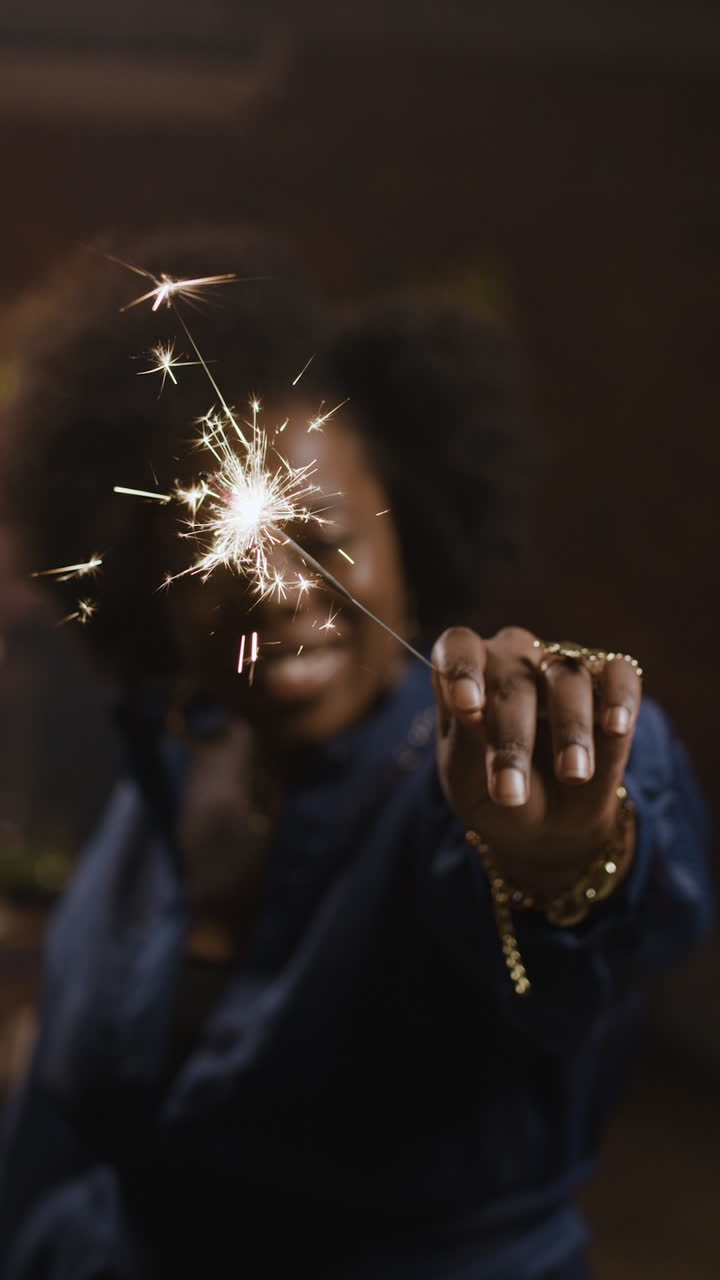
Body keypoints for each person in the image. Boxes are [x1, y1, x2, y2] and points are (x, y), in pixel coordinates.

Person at [0, 226, 711, 1280]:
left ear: (411, 546)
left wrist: (565, 850)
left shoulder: (468, 772)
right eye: (214, 552)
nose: (276, 589)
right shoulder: (173, 766)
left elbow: (598, 889)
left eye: (323, 538)